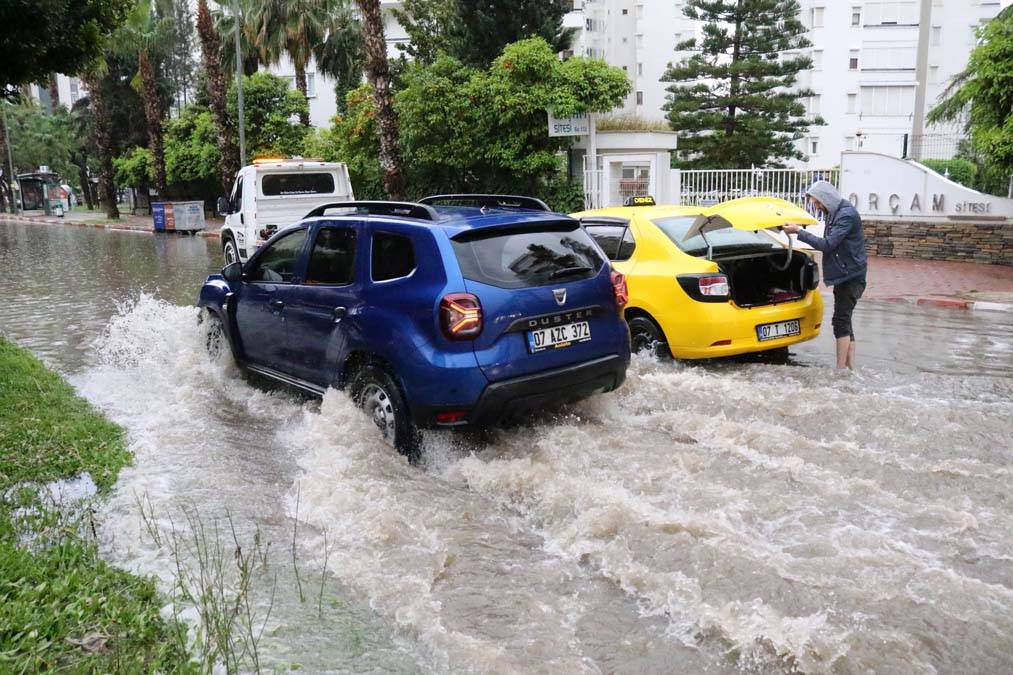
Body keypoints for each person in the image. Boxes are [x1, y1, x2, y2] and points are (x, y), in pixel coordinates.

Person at [783, 181, 868, 370]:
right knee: (845, 320)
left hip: (851, 276)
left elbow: (828, 244)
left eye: (818, 203)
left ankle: (839, 371)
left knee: (840, 321)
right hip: (846, 274)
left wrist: (799, 231)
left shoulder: (846, 215)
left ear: (827, 198)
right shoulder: (835, 212)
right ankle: (850, 369)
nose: (817, 207)